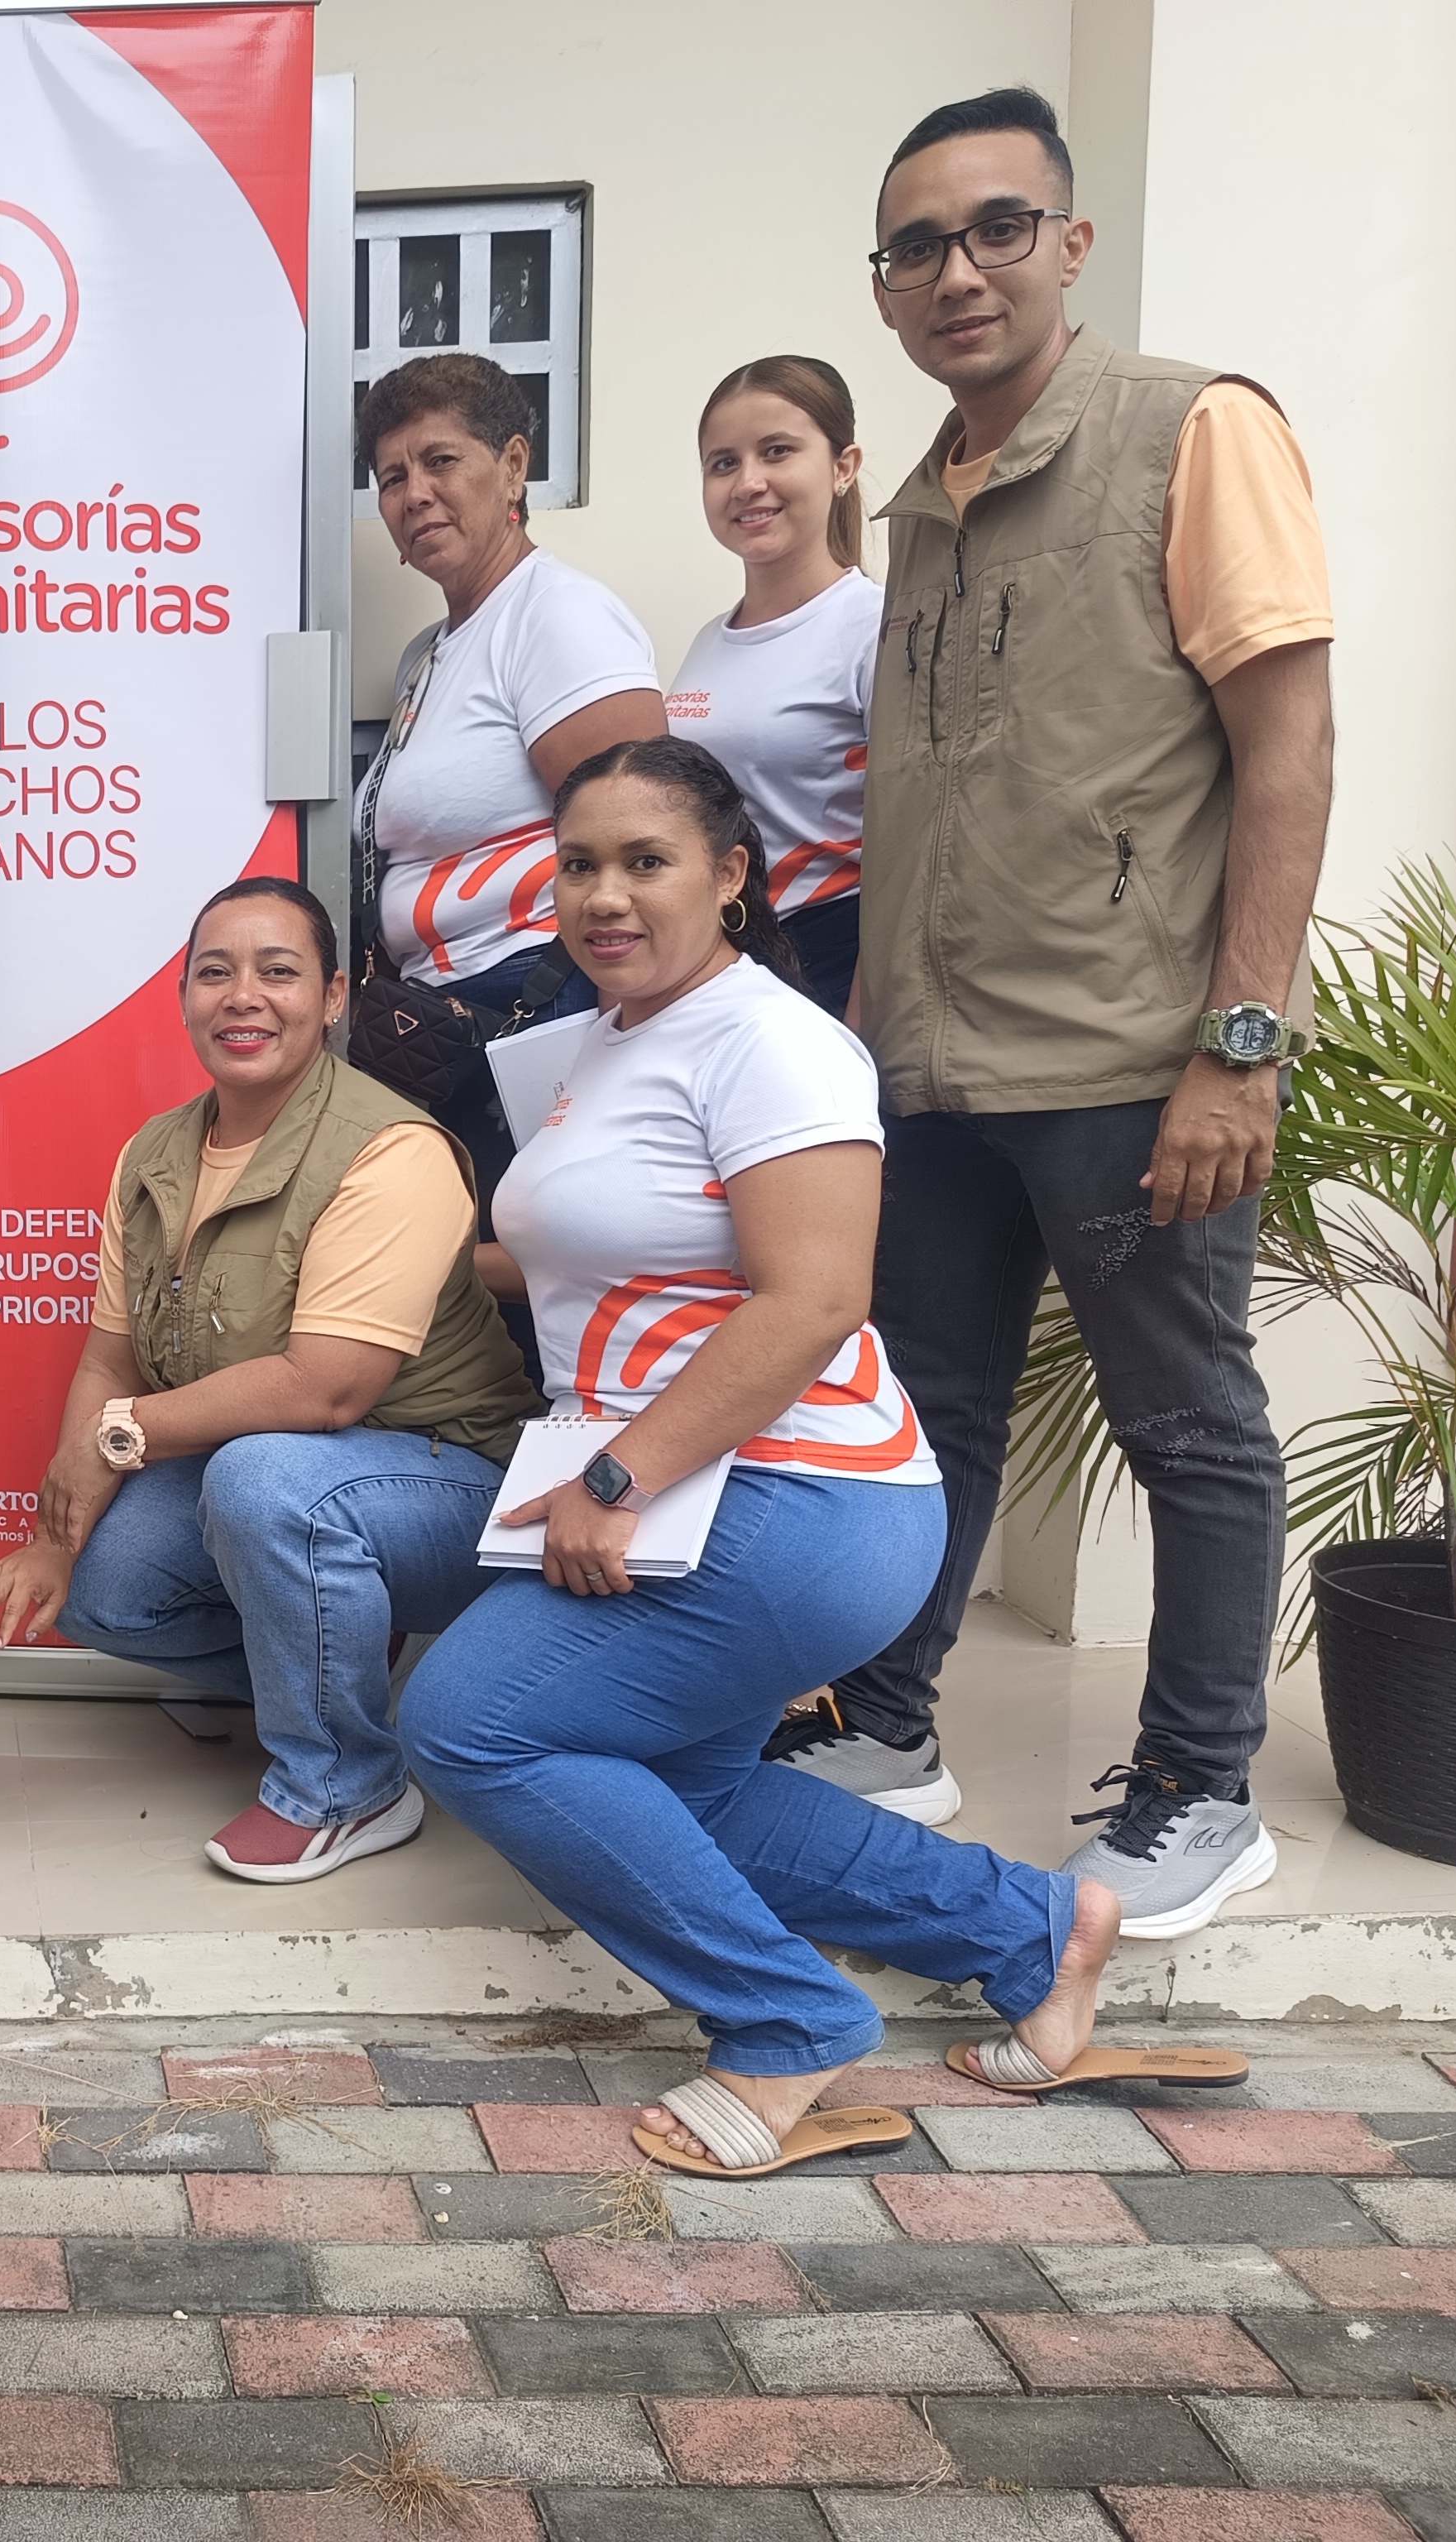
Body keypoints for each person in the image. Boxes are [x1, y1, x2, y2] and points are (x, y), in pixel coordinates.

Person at [400, 739, 1195, 2179]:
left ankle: (785, 2020)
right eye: (579, 864)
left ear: (731, 876)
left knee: (471, 1722)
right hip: (710, 1490)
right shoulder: (607, 1041)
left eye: (645, 861)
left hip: (794, 1492)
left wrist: (618, 1477)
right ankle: (1033, 1933)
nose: (604, 895)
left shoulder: (774, 1041)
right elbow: (607, 1251)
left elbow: (816, 1296)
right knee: (686, 1788)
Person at [800, 86, 1332, 1937]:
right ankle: (891, 1721)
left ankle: (1203, 1788)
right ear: (885, 287)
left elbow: (1287, 751)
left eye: (997, 229)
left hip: (1130, 1058)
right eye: (918, 247)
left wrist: (1239, 1046)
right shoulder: (921, 513)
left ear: (1070, 244)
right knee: (928, 1408)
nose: (959, 271)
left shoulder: (1194, 430)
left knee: (1187, 1419)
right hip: (937, 1066)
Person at [0, 875, 542, 1883]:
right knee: (102, 1592)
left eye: (279, 972)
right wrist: (55, 1540)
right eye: (214, 973)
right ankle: (331, 1667)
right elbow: (109, 1356)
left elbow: (326, 1390)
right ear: (185, 996)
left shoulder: (391, 1149)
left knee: (264, 1478)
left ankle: (346, 1785)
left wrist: (115, 1438)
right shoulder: (154, 1153)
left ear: (332, 996)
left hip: (457, 1481)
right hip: (292, 1469)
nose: (244, 996)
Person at [356, 353, 666, 1200]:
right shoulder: (428, 653)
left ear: (514, 465)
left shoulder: (556, 616)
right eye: (391, 477)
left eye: (441, 460)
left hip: (546, 1009)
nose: (415, 494)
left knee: (539, 1255)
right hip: (448, 1024)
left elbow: (645, 839)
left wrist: (629, 1031)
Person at [667, 357, 878, 1019]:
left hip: (830, 958)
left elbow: (918, 852)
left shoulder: (875, 627)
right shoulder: (709, 641)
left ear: (843, 467)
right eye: (723, 463)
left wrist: (863, 1014)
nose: (748, 482)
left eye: (777, 452)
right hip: (721, 962)